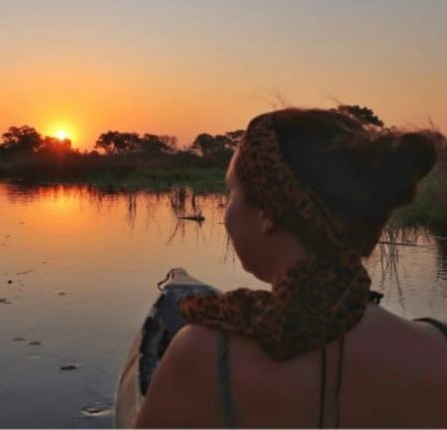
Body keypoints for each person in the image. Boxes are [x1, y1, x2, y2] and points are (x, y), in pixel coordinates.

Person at [135, 108, 447, 428]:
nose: (227, 211)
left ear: (267, 212)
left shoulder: (203, 354)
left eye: (232, 192)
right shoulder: (438, 347)